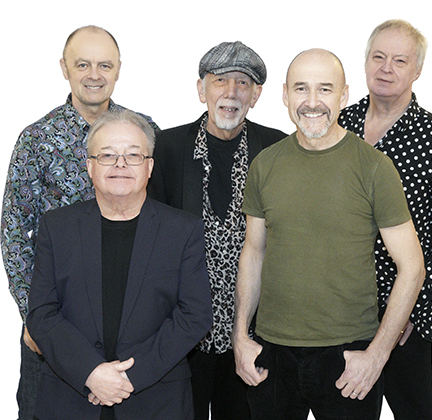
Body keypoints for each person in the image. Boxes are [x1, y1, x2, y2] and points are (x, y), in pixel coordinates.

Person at [232, 48, 426, 420]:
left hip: (348, 356)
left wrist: (377, 355)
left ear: (344, 95)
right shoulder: (265, 165)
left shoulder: (373, 168)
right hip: (272, 355)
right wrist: (241, 337)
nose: (312, 102)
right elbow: (253, 252)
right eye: (302, 89)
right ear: (286, 95)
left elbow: (412, 266)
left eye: (325, 89)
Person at [0, 25, 159, 420]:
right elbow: (15, 233)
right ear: (64, 68)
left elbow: (162, 223)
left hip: (132, 324)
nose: (94, 74)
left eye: (104, 64)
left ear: (119, 69)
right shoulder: (37, 140)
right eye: (82, 64)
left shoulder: (144, 132)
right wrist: (33, 316)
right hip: (56, 325)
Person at [25, 109, 213, 420]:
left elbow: (194, 315)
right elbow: (42, 314)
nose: (120, 165)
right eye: (108, 155)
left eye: (133, 155)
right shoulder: (56, 227)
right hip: (70, 401)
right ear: (90, 166)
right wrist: (91, 372)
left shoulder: (182, 230)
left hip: (156, 402)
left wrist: (127, 378)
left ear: (150, 166)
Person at [338, 20, 432, 420]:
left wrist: (415, 312)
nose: (386, 68)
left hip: (401, 315)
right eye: (378, 57)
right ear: (365, 63)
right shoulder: (336, 127)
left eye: (399, 60)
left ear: (417, 71)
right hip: (337, 310)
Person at [148, 41, 287, 420]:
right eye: (220, 80)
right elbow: (151, 243)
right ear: (201, 89)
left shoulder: (276, 149)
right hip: (183, 336)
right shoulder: (169, 148)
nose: (230, 92)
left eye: (243, 83)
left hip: (254, 337)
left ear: (256, 95)